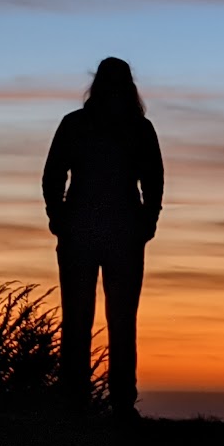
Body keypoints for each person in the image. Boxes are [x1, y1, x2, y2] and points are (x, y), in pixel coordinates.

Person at [42, 57, 163, 419]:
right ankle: (108, 401)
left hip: (103, 232)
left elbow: (153, 180)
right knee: (109, 319)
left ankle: (93, 400)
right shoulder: (131, 128)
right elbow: (53, 176)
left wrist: (59, 216)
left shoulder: (84, 125)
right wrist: (58, 217)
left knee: (90, 318)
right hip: (104, 232)